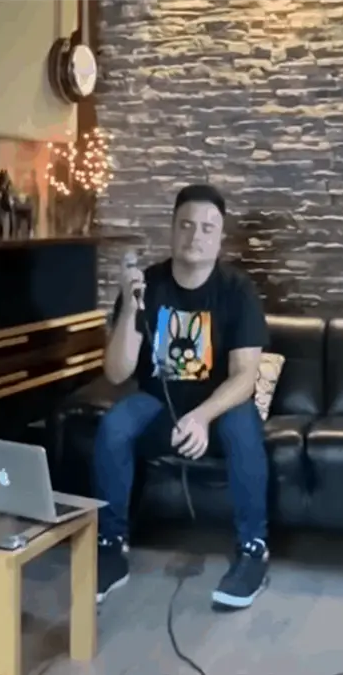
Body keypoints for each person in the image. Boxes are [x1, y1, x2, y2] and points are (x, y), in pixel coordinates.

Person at [93, 183, 271, 610]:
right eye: (186, 225)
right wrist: (130, 306)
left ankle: (253, 550)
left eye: (208, 228)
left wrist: (202, 416)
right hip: (158, 402)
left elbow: (245, 377)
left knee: (244, 430)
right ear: (172, 230)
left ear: (220, 237)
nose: (196, 236)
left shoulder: (237, 291)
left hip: (220, 406)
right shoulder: (148, 285)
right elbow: (116, 372)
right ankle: (110, 544)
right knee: (114, 426)